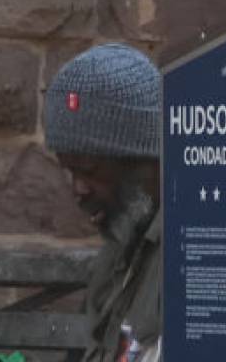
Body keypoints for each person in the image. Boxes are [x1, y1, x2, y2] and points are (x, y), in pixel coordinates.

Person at [44, 43, 165, 362]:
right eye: (68, 171)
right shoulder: (120, 245)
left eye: (89, 170)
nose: (78, 189)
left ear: (146, 161)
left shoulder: (191, 253)